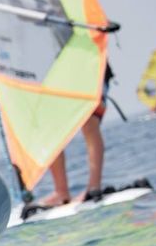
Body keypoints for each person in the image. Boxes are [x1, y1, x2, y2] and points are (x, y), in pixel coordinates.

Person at [35, 64, 114, 207]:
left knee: (89, 123)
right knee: (47, 126)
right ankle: (61, 192)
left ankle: (93, 187)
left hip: (92, 69)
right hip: (58, 73)